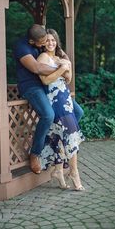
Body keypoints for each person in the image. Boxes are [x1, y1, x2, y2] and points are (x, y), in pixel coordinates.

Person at [13, 24, 84, 174]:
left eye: (48, 39)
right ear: (33, 42)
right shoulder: (22, 47)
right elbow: (37, 68)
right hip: (32, 86)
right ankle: (36, 153)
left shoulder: (43, 39)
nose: (46, 43)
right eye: (43, 42)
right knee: (48, 115)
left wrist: (66, 62)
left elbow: (60, 52)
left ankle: (58, 148)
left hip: (49, 86)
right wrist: (62, 70)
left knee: (77, 112)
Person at [37, 29, 85, 191]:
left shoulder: (59, 57)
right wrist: (61, 69)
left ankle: (58, 170)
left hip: (65, 98)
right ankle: (74, 172)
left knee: (60, 133)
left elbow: (69, 78)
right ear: (43, 42)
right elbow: (45, 80)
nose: (51, 43)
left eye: (53, 40)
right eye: (48, 40)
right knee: (70, 132)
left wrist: (68, 66)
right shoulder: (42, 57)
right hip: (54, 99)